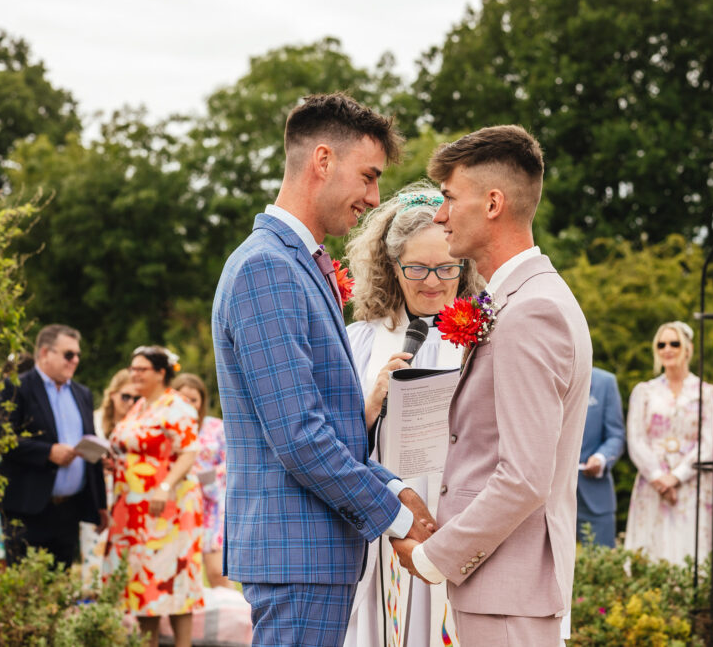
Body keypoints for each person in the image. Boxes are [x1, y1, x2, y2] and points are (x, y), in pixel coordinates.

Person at [211, 93, 435, 646]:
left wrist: (393, 486)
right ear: (323, 160)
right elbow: (300, 436)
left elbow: (323, 427)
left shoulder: (296, 262)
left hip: (308, 553)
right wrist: (396, 513)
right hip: (297, 554)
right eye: (369, 175)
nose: (374, 197)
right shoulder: (267, 267)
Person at [390, 125, 593, 646]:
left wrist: (436, 557)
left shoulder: (532, 312)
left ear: (494, 203)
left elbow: (526, 476)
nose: (440, 215)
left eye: (451, 198)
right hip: (500, 591)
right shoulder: (519, 300)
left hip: (510, 594)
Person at [342, 185, 484, 647]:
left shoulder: (486, 335)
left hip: (458, 519)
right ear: (391, 268)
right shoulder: (360, 340)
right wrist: (371, 405)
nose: (432, 281)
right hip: (386, 521)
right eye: (417, 268)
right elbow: (333, 446)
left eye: (446, 267)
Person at [105, 346, 203, 647]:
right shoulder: (140, 406)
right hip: (133, 510)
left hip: (167, 509)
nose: (134, 374)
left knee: (174, 579)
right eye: (132, 368)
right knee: (143, 583)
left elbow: (189, 451)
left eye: (141, 369)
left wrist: (165, 485)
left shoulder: (176, 406)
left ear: (161, 373)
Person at [0, 324, 107, 569]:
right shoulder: (16, 387)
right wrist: (48, 452)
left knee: (59, 589)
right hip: (26, 509)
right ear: (45, 353)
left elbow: (90, 442)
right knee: (23, 589)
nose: (75, 360)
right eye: (68, 354)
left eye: (77, 355)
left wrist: (100, 505)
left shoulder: (82, 393)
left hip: (68, 509)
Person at [623, 322, 713, 566]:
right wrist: (659, 477)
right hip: (653, 484)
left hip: (693, 483)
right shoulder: (644, 392)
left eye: (674, 343)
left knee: (691, 549)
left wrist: (677, 477)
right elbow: (636, 438)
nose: (667, 349)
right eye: (661, 344)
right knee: (650, 549)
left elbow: (710, 443)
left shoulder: (708, 394)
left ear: (688, 349)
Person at [79, 368, 139, 590]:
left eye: (136, 398)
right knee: (94, 554)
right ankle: (92, 602)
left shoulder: (141, 427)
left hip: (128, 494)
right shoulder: (93, 421)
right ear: (112, 394)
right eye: (125, 396)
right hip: (98, 494)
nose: (130, 402)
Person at [172, 372, 231, 589]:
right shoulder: (166, 430)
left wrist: (208, 476)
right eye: (182, 398)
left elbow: (232, 461)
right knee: (185, 575)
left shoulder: (216, 427)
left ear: (202, 401)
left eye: (193, 400)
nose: (188, 405)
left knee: (217, 572)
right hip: (180, 503)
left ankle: (234, 620)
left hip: (213, 505)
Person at [576, 367, 626, 547]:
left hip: (594, 492)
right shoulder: (542, 377)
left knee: (601, 564)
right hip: (548, 495)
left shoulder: (605, 382)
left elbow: (616, 435)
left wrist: (601, 457)